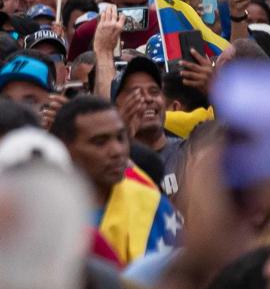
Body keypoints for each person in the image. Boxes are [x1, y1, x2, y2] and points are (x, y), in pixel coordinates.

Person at [52, 93, 177, 266]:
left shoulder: (152, 205)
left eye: (120, 138)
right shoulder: (43, 215)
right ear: (64, 147)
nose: (117, 150)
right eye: (99, 142)